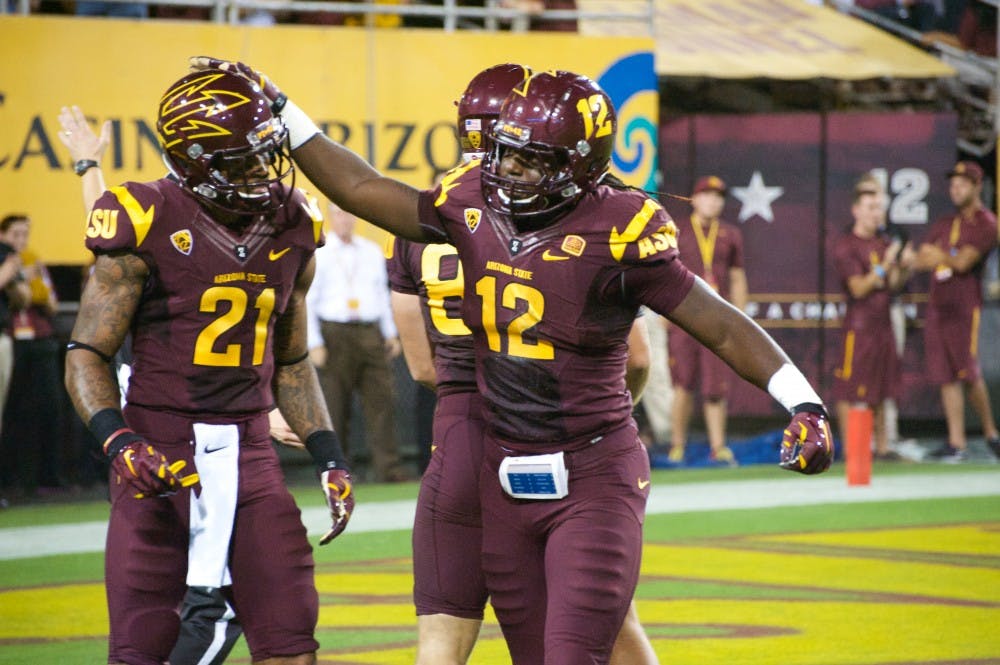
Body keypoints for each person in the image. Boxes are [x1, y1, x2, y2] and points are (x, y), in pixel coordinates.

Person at [195, 58, 834, 665]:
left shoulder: (621, 228)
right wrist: (284, 109)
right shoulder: (469, 200)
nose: (509, 170)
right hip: (504, 477)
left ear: (578, 165)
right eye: (506, 152)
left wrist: (803, 401)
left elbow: (721, 324)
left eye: (532, 160)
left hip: (592, 475)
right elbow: (360, 188)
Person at [62, 70, 356, 665]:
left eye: (266, 156)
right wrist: (120, 442)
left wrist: (329, 454)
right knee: (144, 644)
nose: (263, 173)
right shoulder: (145, 214)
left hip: (251, 453)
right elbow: (86, 354)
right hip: (159, 449)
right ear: (195, 163)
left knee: (290, 636)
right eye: (243, 162)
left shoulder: (295, 221)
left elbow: (292, 361)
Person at [387, 63, 658, 665]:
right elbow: (637, 358)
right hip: (554, 426)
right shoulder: (581, 216)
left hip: (459, 430)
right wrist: (603, 421)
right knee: (608, 621)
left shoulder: (424, 211)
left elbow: (423, 368)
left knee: (442, 637)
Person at [307, 201, 409, 482]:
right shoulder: (320, 253)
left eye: (348, 214)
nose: (344, 220)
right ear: (331, 217)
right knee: (334, 404)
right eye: (339, 214)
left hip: (370, 330)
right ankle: (337, 470)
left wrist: (390, 333)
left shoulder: (371, 251)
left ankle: (388, 468)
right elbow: (308, 299)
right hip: (333, 332)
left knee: (382, 401)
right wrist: (314, 342)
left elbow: (382, 295)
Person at [914, 160, 1000, 462]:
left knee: (968, 371)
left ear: (977, 186)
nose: (956, 189)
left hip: (965, 306)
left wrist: (940, 255)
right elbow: (919, 259)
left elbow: (964, 263)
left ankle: (991, 434)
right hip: (938, 304)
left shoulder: (986, 222)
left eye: (962, 184)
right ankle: (956, 442)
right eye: (953, 184)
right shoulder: (945, 222)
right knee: (945, 375)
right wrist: (945, 256)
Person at [666, 176, 747, 467]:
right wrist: (665, 312)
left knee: (716, 387)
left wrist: (740, 317)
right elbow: (663, 273)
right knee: (683, 384)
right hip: (684, 316)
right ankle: (677, 446)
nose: (713, 201)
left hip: (716, 318)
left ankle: (718, 447)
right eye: (707, 195)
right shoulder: (676, 230)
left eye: (718, 196)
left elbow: (737, 277)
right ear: (694, 199)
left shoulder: (730, 234)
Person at [831, 183, 914, 461]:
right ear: (856, 210)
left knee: (881, 387)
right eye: (870, 208)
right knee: (851, 388)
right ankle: (853, 450)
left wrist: (904, 266)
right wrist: (887, 263)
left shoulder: (883, 243)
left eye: (879, 208)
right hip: (859, 327)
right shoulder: (847, 245)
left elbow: (893, 285)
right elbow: (859, 288)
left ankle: (882, 447)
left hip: (883, 324)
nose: (876, 213)